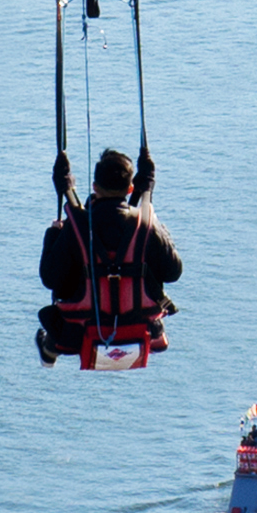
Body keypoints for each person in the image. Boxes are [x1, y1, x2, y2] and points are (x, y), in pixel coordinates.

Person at [36, 144, 180, 365]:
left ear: (94, 187)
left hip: (82, 325)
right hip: (139, 320)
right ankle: (155, 333)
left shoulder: (77, 228)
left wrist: (53, 235)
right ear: (130, 189)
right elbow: (173, 272)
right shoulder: (145, 225)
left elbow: (50, 278)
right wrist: (160, 229)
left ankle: (52, 347)